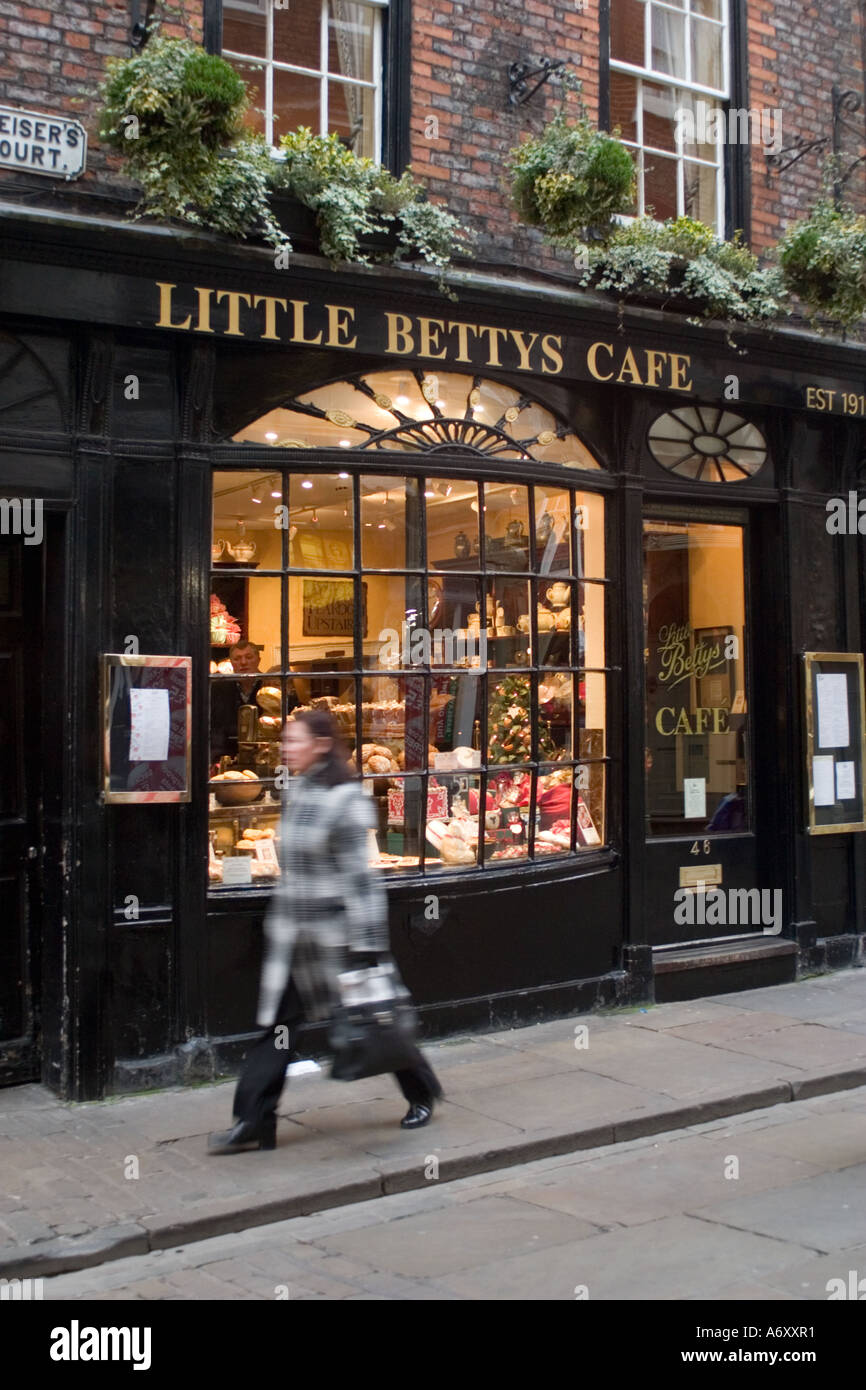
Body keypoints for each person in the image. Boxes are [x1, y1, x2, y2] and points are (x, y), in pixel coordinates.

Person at [208, 709, 443, 1155]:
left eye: (293, 741)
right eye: (284, 741)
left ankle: (421, 1090)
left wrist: (368, 946)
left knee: (374, 1019)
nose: (284, 748)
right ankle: (254, 1120)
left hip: (339, 940)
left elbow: (362, 878)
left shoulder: (345, 798)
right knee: (276, 1028)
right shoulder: (300, 789)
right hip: (297, 940)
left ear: (318, 744)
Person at [210, 640, 298, 765]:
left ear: (258, 660)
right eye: (237, 659)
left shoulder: (271, 686)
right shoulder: (218, 689)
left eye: (249, 657)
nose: (243, 662)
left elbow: (288, 722)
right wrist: (216, 758)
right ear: (231, 663)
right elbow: (214, 728)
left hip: (265, 758)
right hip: (226, 759)